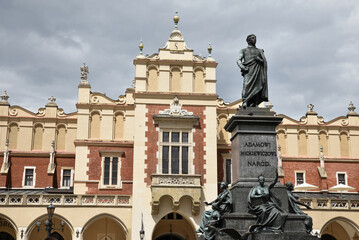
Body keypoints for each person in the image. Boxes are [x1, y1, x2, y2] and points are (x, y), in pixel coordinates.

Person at [237, 34, 268, 108]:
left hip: (258, 71)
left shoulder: (259, 51)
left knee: (258, 86)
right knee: (246, 86)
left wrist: (258, 59)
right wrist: (242, 67)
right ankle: (245, 101)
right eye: (252, 38)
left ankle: (255, 103)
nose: (254, 39)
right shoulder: (244, 50)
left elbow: (264, 62)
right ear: (248, 40)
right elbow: (238, 60)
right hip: (248, 71)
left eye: (255, 38)